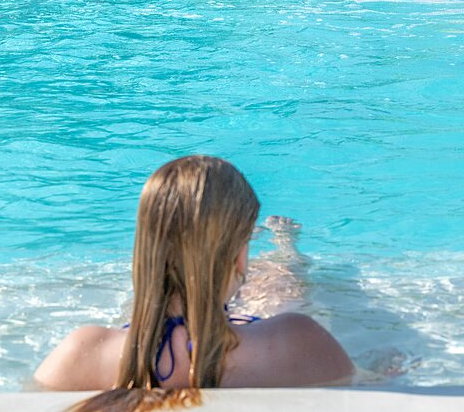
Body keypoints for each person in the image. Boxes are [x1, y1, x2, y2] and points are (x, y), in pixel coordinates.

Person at [35, 155, 353, 409]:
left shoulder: (81, 353)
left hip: (141, 338)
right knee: (278, 294)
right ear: (239, 257)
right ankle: (285, 253)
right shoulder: (296, 341)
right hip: (249, 331)